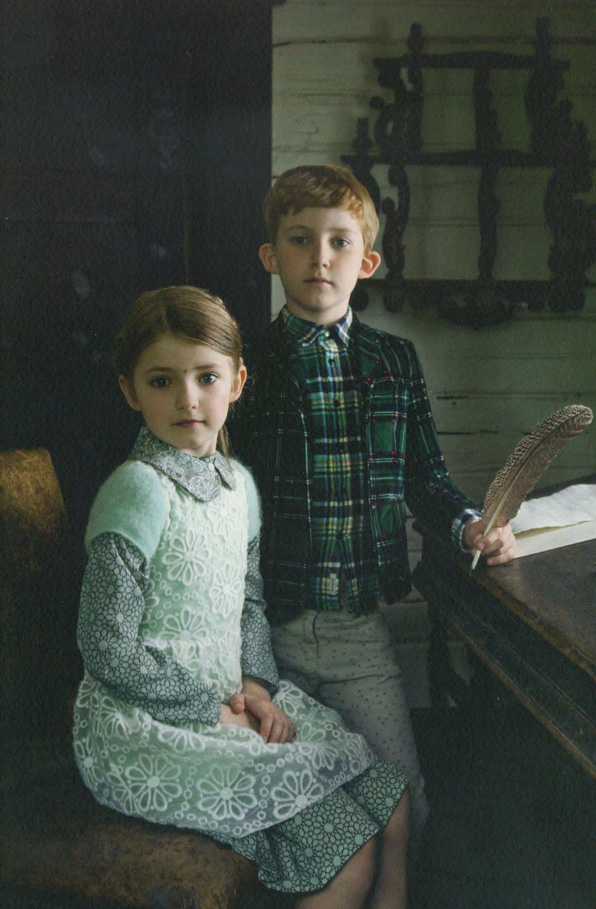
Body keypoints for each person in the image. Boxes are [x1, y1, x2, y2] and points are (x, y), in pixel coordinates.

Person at [73, 285, 412, 908]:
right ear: (130, 390)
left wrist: (255, 687)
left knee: (392, 806)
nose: (188, 399)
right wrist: (214, 709)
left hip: (230, 696)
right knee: (352, 850)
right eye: (162, 381)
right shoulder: (138, 489)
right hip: (149, 722)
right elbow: (105, 646)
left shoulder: (237, 486)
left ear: (237, 381)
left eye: (206, 377)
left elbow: (248, 603)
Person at [229, 164, 516, 842]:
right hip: (265, 631)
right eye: (300, 240)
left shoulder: (394, 360)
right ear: (271, 256)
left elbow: (426, 476)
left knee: (404, 803)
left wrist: (469, 523)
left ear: (367, 262)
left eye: (339, 242)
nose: (319, 258)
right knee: (286, 810)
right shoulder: (244, 361)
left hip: (359, 630)